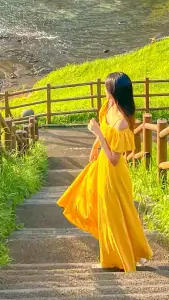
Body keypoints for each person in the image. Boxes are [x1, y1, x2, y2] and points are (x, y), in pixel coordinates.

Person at [57, 71, 153, 271]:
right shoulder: (110, 105)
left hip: (113, 173)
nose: (105, 91)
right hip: (102, 165)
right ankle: (124, 255)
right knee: (100, 206)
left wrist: (97, 135)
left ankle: (120, 258)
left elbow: (115, 159)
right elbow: (104, 129)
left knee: (116, 214)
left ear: (114, 92)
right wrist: (95, 146)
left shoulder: (122, 123)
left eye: (107, 88)